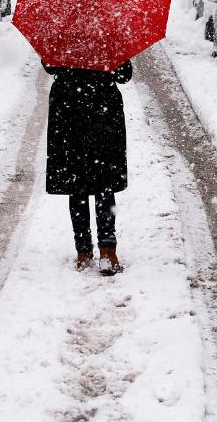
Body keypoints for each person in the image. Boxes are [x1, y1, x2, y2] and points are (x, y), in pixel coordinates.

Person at [43, 60, 133, 275]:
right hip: (103, 112)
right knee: (104, 185)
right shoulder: (110, 35)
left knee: (78, 186)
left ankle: (83, 252)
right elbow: (124, 75)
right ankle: (107, 252)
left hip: (69, 111)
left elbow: (50, 66)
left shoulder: (63, 33)